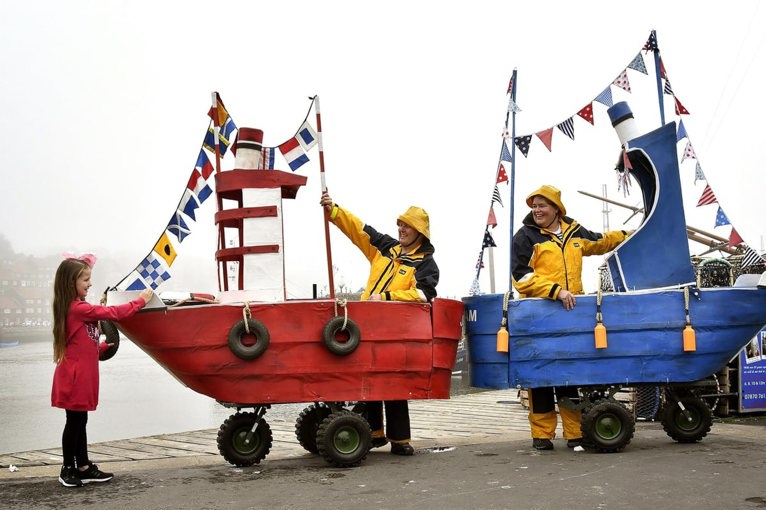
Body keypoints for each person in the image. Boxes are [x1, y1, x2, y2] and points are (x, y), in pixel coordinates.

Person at [512, 185, 630, 450]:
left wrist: (628, 235)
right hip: (539, 315)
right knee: (541, 378)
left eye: (542, 205)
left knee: (569, 375)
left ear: (556, 209)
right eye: (534, 206)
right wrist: (555, 291)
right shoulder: (525, 236)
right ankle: (542, 435)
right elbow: (521, 277)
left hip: (571, 314)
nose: (537, 210)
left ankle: (574, 433)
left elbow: (600, 241)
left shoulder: (574, 232)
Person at [320, 192, 439, 456]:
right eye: (400, 224)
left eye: (407, 225)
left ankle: (400, 440)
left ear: (420, 232)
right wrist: (335, 211)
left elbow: (424, 294)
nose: (401, 229)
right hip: (368, 328)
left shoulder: (426, 263)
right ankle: (374, 434)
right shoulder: (385, 247)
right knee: (369, 379)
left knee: (395, 384)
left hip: (398, 333)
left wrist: (386, 297)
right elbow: (359, 230)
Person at [51, 255, 153, 487]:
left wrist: (103, 347)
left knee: (80, 420)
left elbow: (83, 344)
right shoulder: (77, 308)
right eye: (85, 280)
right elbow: (113, 314)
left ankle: (83, 466)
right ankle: (68, 468)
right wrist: (140, 301)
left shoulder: (78, 311)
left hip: (81, 375)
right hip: (75, 378)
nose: (90, 284)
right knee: (74, 422)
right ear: (71, 284)